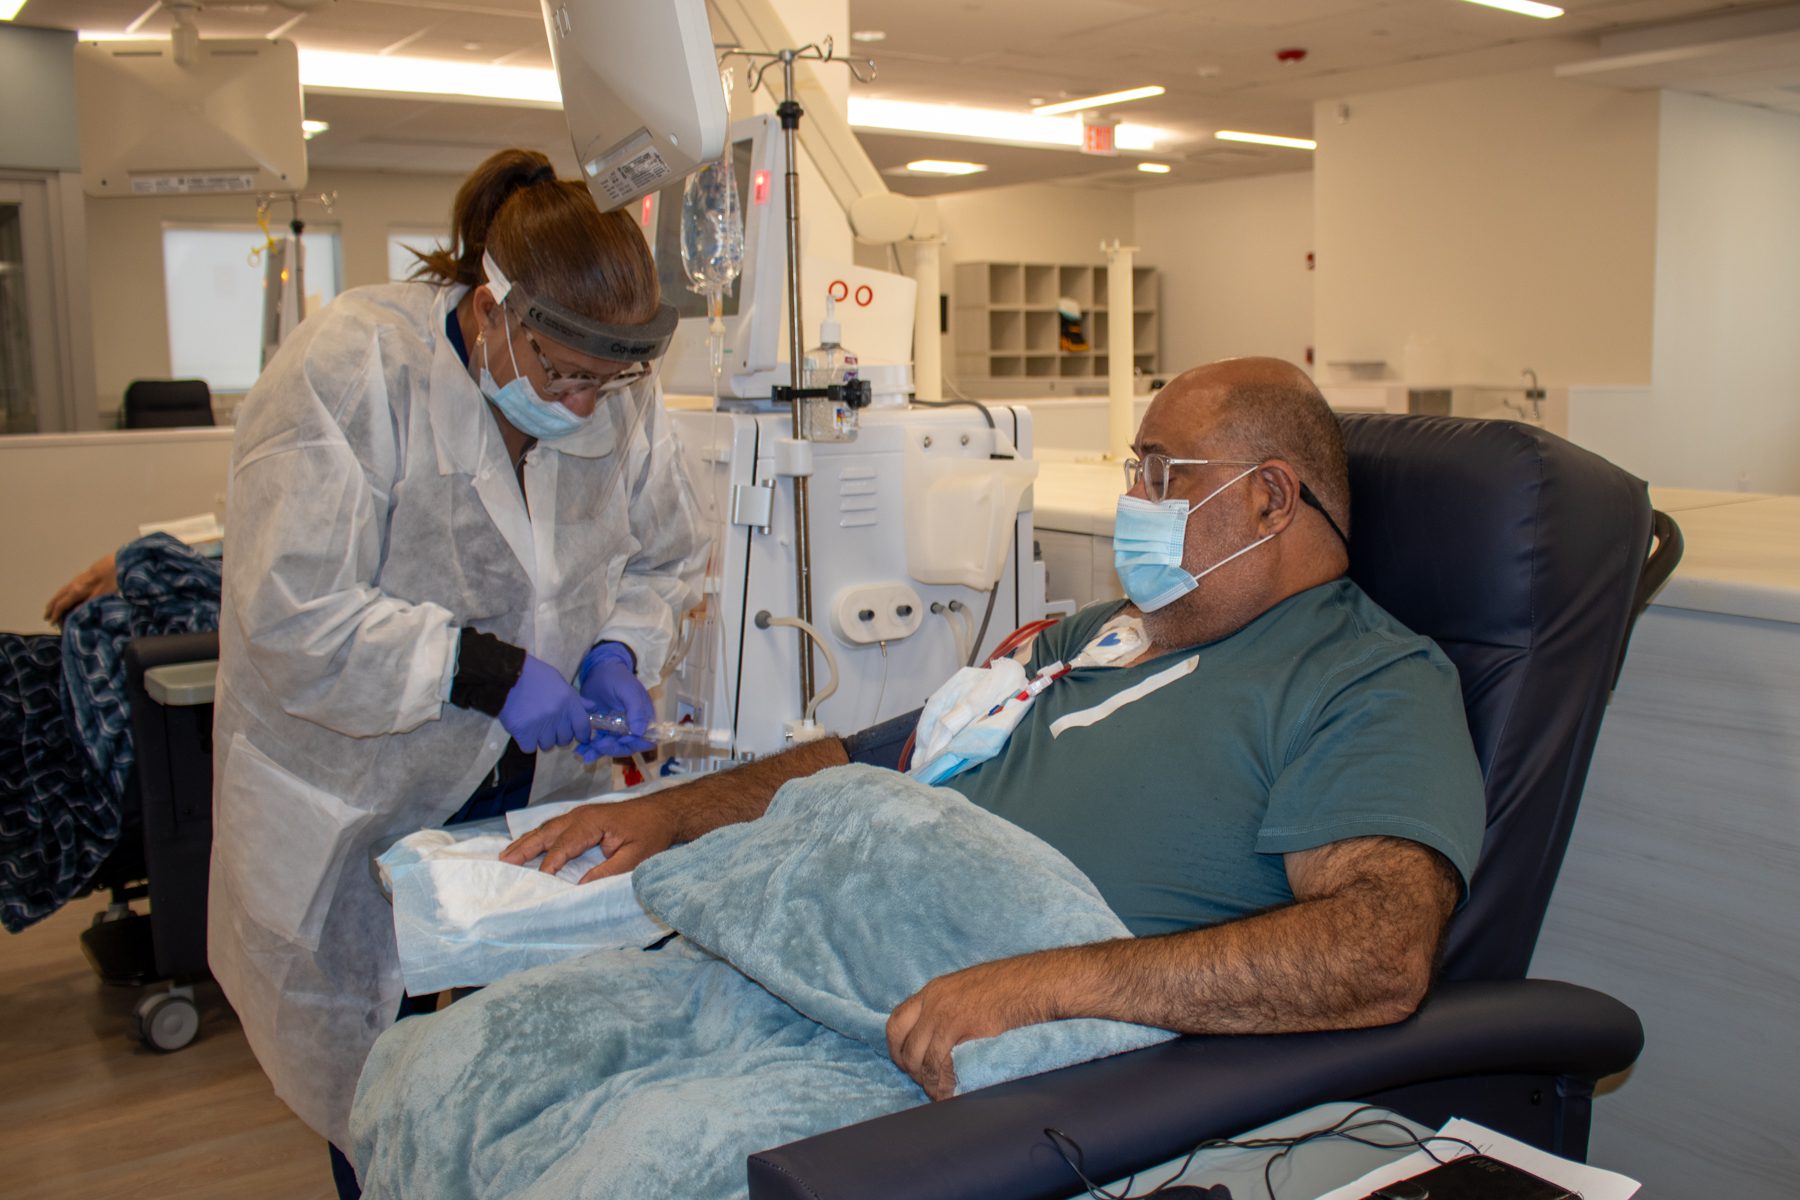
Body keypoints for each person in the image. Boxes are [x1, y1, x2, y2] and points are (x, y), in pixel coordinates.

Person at [498, 355, 1486, 1101]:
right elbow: (882, 755)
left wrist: (1042, 986)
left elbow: (1379, 951)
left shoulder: (1363, 679)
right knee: (498, 1049)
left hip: (962, 1058)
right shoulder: (1094, 636)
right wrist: (672, 815)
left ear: (1269, 499)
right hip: (819, 976)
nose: (1131, 501)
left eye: (1159, 475)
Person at [207, 146, 708, 1181]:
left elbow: (664, 556)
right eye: (563, 373)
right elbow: (292, 611)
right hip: (360, 794)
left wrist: (619, 648)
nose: (584, 404)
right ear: (490, 311)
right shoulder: (352, 368)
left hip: (530, 798)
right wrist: (487, 673)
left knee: (515, 1074)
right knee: (376, 1091)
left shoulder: (614, 387)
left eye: (607, 381)